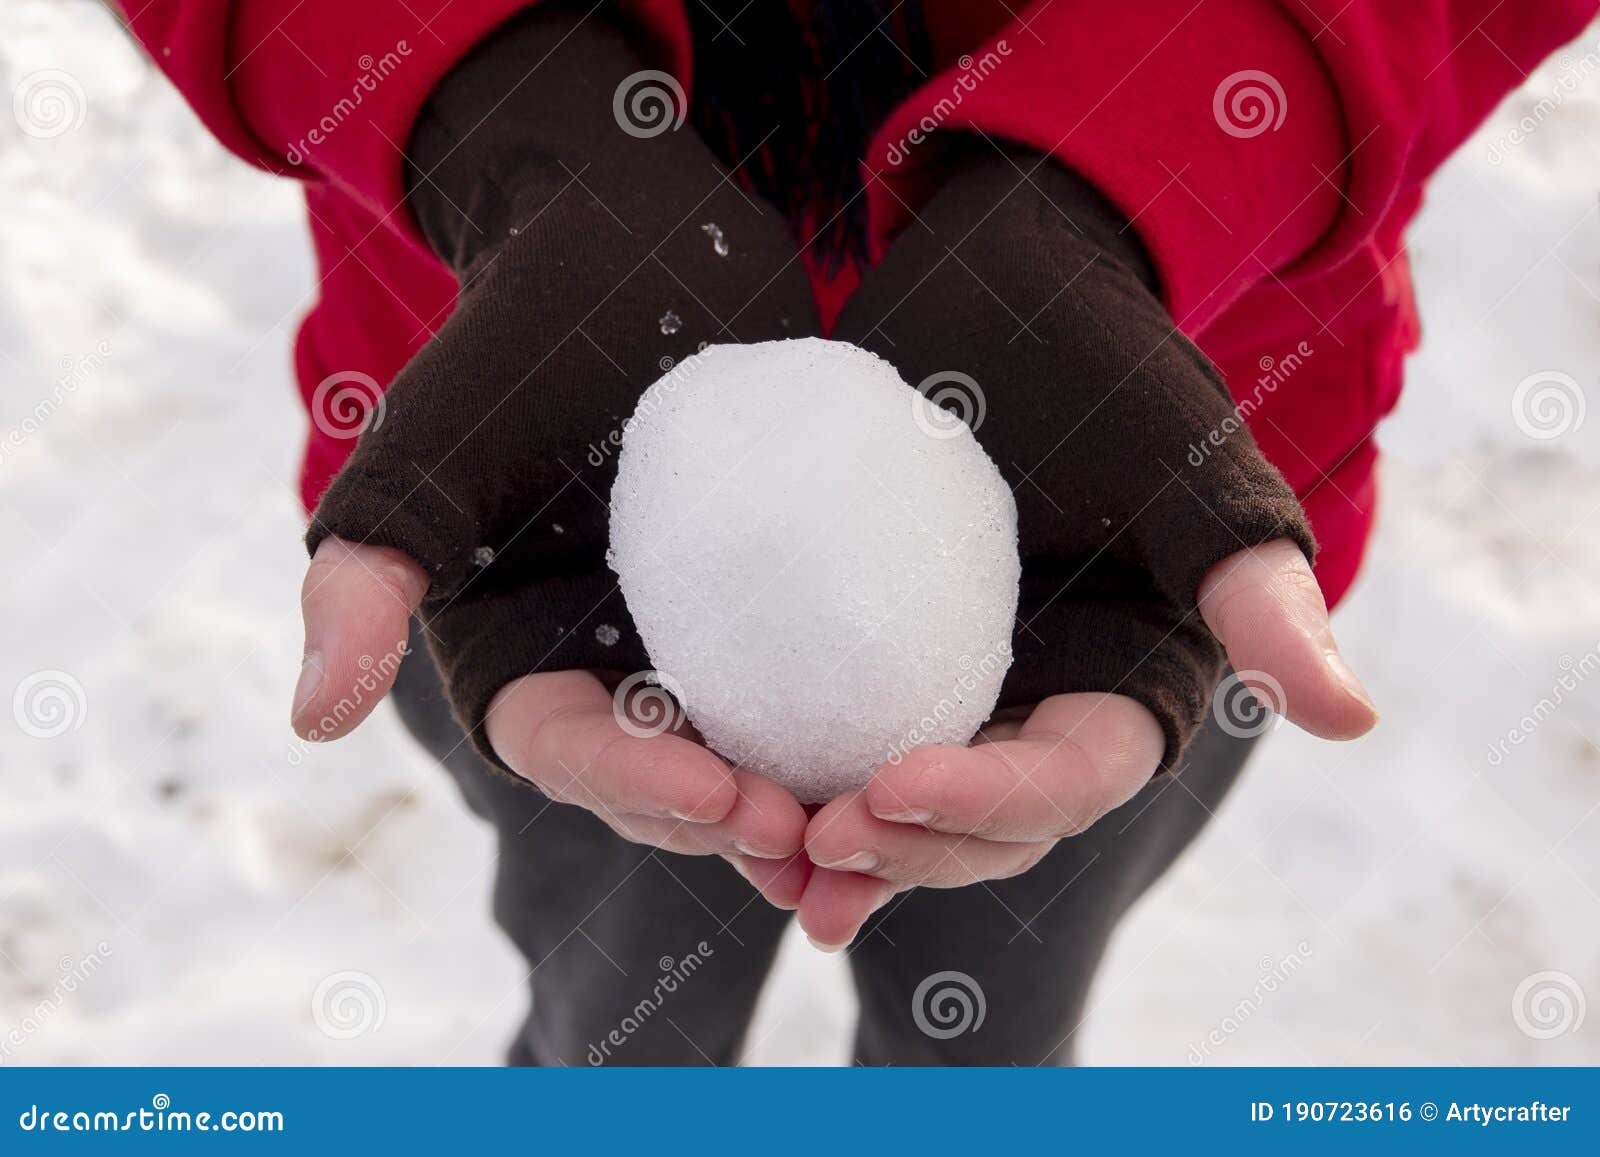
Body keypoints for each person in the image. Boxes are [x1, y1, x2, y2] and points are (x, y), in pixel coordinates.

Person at [117, 0, 1594, 1064]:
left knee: (988, 1033)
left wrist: (1150, 146)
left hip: (1139, 486)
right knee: (621, 1025)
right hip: (523, 471)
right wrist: (508, 113)